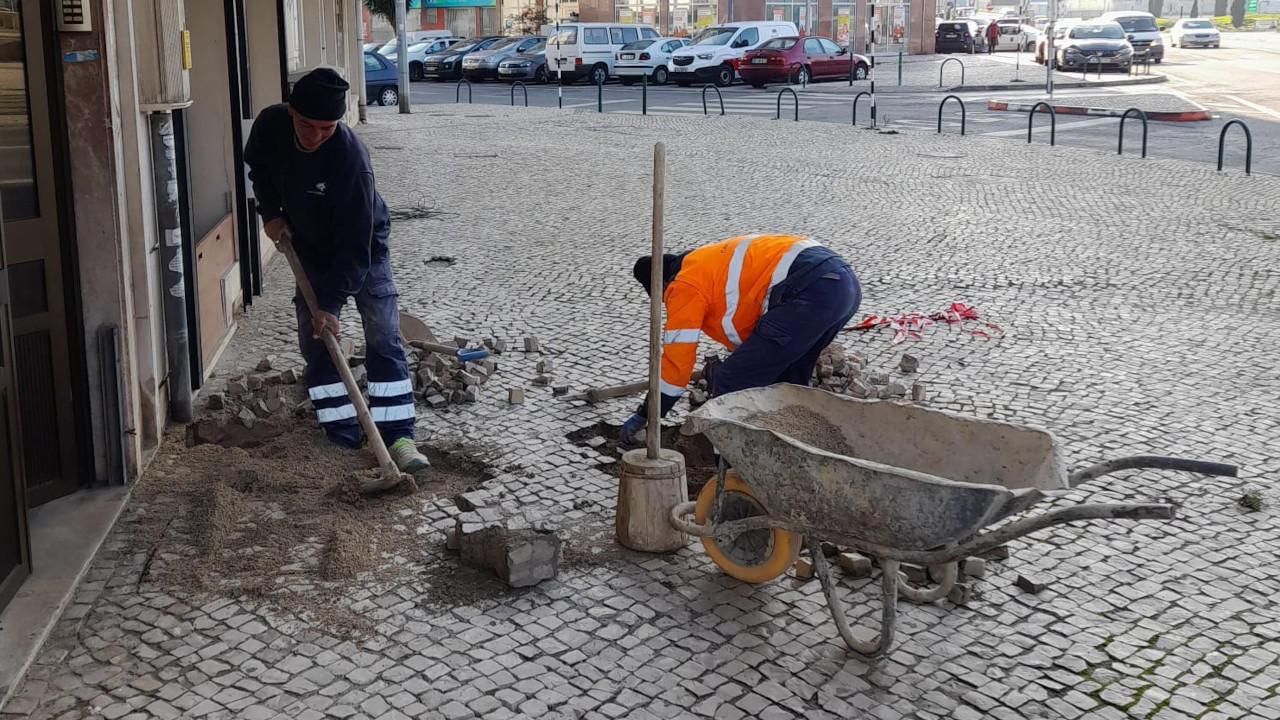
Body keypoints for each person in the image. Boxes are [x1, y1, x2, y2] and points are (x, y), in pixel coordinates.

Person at [243, 68, 428, 471]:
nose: (315, 136)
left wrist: (330, 303)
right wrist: (270, 213)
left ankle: (397, 437)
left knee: (382, 333)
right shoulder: (271, 125)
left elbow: (356, 250)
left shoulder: (351, 160)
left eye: (326, 128)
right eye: (307, 125)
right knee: (316, 341)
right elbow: (257, 166)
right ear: (291, 111)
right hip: (307, 248)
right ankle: (340, 435)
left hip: (363, 249)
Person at [619, 235, 861, 446]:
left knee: (732, 379)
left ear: (660, 284)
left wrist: (648, 414)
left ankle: (730, 468)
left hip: (811, 290)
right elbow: (755, 328)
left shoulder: (683, 285)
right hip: (842, 284)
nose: (667, 302)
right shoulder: (704, 262)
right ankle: (796, 449)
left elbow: (677, 365)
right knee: (789, 377)